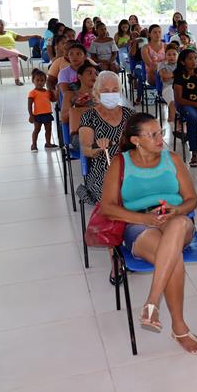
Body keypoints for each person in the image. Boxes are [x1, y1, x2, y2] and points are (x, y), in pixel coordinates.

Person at [99, 112, 197, 354]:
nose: (160, 138)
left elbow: (192, 199)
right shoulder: (120, 163)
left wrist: (176, 210)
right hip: (138, 223)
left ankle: (152, 301)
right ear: (135, 140)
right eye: (153, 134)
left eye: (160, 132)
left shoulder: (172, 158)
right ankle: (179, 328)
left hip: (176, 218)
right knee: (172, 257)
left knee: (178, 226)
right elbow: (108, 208)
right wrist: (145, 219)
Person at [78, 71, 134, 285]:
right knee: (113, 200)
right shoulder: (89, 116)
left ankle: (139, 241)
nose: (111, 94)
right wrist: (98, 148)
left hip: (129, 167)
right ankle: (116, 258)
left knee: (143, 192)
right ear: (96, 93)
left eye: (114, 90)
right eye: (105, 91)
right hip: (103, 170)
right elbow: (85, 149)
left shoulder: (129, 115)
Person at [173, 48, 197, 168]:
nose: (194, 61)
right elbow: (179, 99)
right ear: (183, 62)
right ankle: (194, 152)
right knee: (192, 117)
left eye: (195, 58)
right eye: (190, 59)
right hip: (186, 105)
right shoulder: (179, 77)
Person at [0, 19, 42, 86]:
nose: (0, 26)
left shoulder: (10, 33)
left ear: (4, 25)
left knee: (14, 57)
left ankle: (17, 80)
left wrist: (34, 36)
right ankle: (19, 54)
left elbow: (22, 37)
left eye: (2, 24)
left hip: (11, 51)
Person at [27, 69, 59, 152]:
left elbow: (53, 100)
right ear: (33, 81)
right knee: (37, 130)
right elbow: (29, 105)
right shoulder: (33, 92)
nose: (40, 82)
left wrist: (54, 93)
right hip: (37, 115)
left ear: (45, 81)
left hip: (47, 114)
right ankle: (34, 145)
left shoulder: (47, 92)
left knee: (48, 129)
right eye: (37, 80)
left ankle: (48, 143)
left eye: (42, 80)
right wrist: (31, 115)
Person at [68, 62, 99, 144]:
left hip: (101, 131)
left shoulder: (100, 96)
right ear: (79, 76)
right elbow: (64, 117)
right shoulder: (70, 94)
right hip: (80, 134)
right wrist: (77, 107)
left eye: (96, 74)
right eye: (89, 73)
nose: (94, 76)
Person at [58, 43, 89, 122]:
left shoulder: (91, 71)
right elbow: (65, 93)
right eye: (71, 54)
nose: (74, 57)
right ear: (68, 56)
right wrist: (78, 101)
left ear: (85, 56)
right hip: (72, 103)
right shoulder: (63, 73)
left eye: (78, 54)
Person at [157, 44, 179, 123]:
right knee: (173, 103)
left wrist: (170, 75)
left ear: (178, 55)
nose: (171, 57)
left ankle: (177, 121)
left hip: (180, 87)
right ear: (165, 55)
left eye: (174, 54)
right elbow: (164, 77)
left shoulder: (181, 65)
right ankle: (173, 126)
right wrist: (178, 74)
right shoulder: (161, 64)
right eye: (169, 55)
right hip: (168, 88)